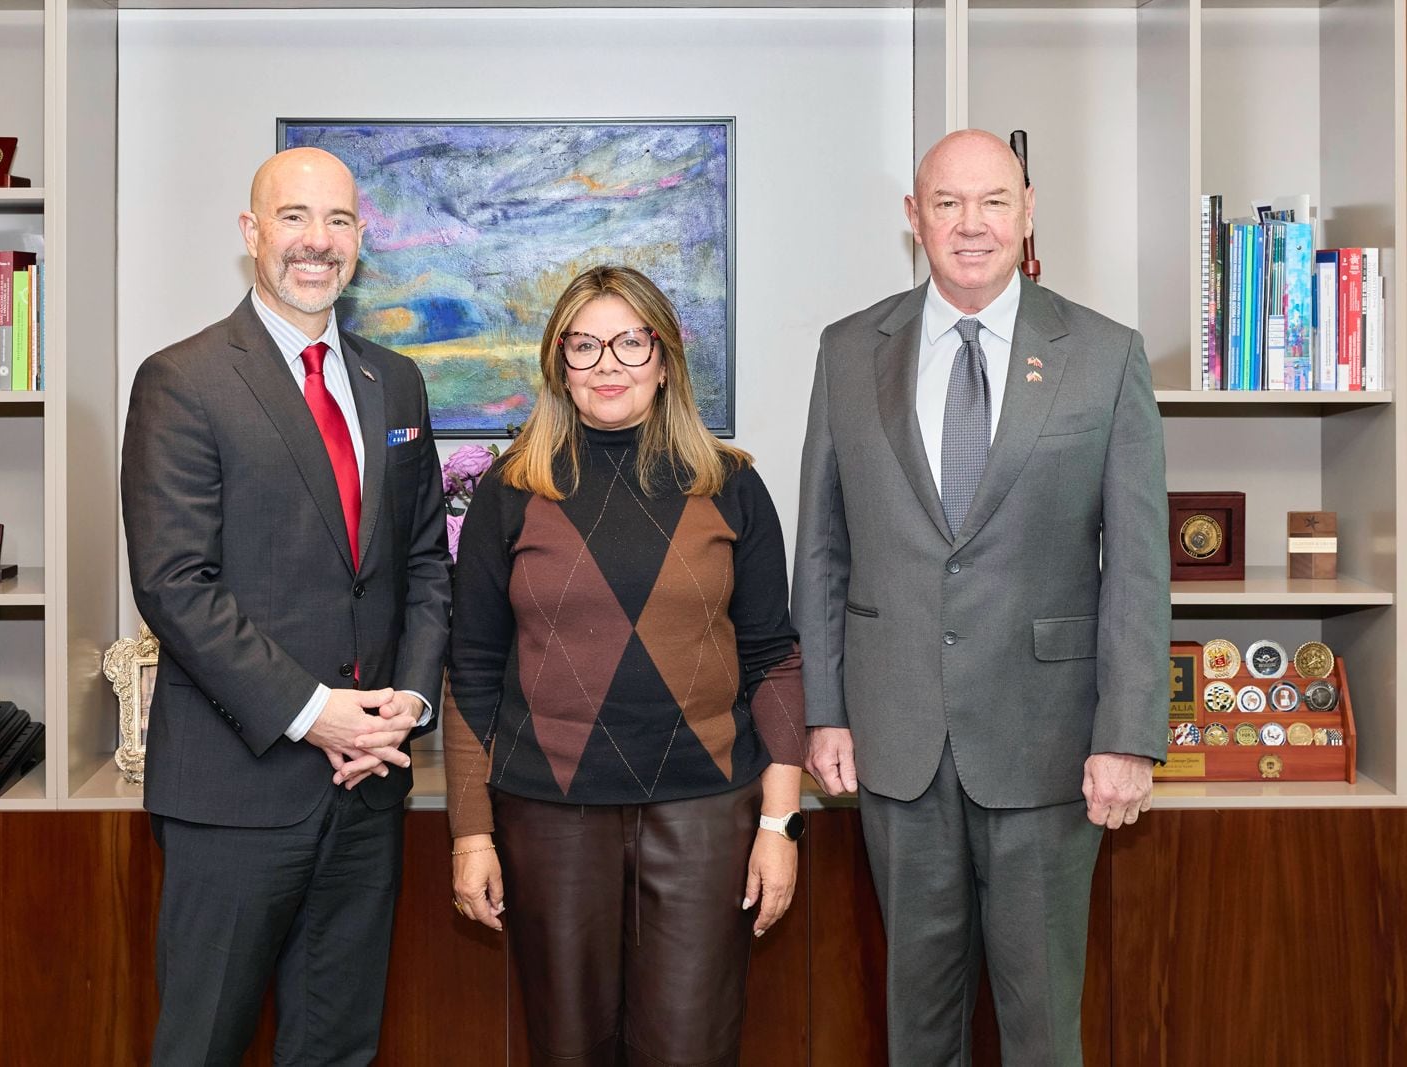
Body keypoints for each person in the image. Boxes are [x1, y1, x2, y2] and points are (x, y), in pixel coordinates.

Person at [793, 129, 1169, 1065]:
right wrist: (825, 711)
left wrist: (1127, 735)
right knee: (917, 1021)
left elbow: (1136, 561)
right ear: (913, 219)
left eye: (994, 201)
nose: (971, 225)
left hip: (1048, 741)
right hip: (896, 736)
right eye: (948, 203)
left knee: (1042, 1020)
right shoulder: (849, 350)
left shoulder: (1104, 354)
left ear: (1029, 211)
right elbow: (825, 548)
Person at [120, 147, 451, 1066]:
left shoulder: (398, 381)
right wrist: (317, 714)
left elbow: (425, 565)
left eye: (339, 221)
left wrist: (406, 710)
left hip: (367, 788)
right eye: (295, 217)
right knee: (203, 1045)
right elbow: (175, 583)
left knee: (339, 1046)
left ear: (361, 240)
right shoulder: (182, 380)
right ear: (251, 232)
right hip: (235, 792)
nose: (317, 241)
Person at [445, 265, 807, 1067]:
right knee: (567, 1049)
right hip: (550, 815)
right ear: (559, 365)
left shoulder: (732, 486)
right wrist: (471, 833)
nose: (607, 362)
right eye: (584, 344)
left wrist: (780, 825)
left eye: (629, 341)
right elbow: (470, 666)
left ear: (664, 357)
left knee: (691, 1050)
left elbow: (775, 660)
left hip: (706, 812)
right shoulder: (510, 492)